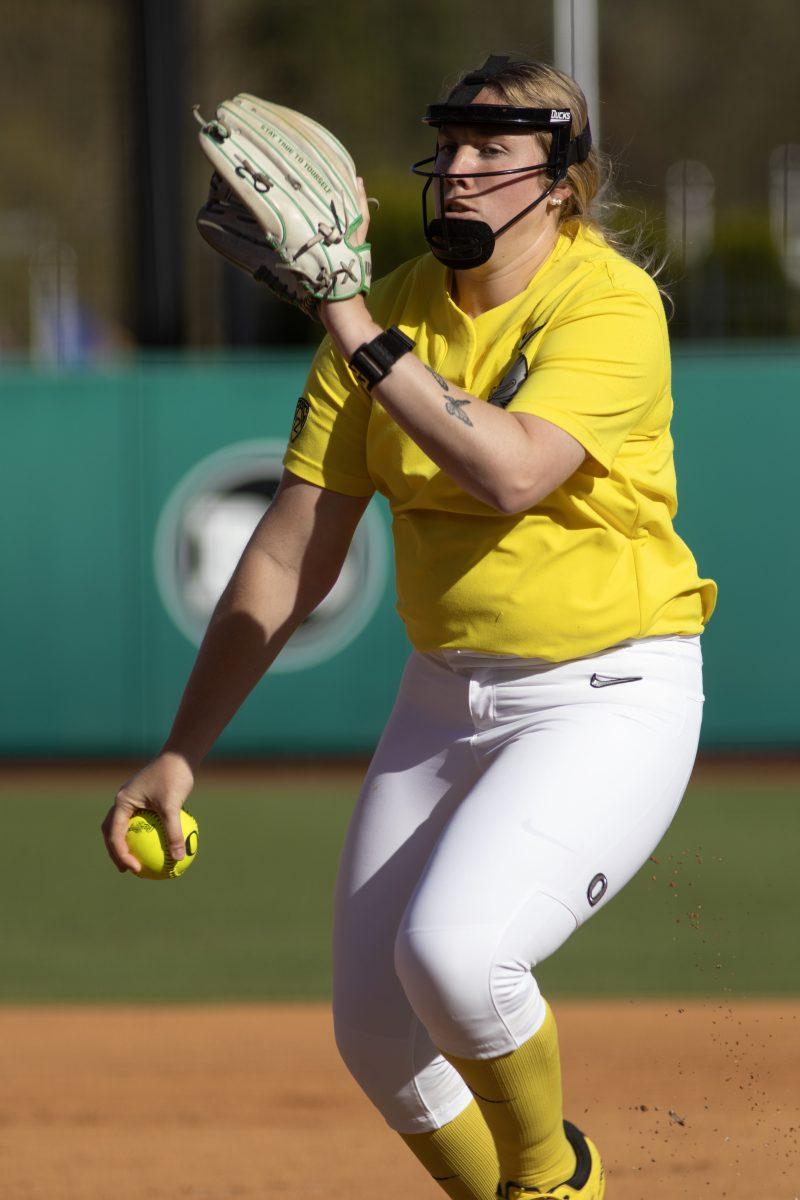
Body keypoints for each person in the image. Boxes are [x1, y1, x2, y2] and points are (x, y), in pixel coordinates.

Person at [102, 55, 716, 1200]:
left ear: (561, 181)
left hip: (607, 696)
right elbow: (285, 558)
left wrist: (347, 321)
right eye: (451, 145)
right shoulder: (388, 307)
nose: (462, 171)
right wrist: (181, 751)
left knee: (457, 956)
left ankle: (551, 1182)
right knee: (378, 1038)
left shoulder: (606, 303)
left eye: (495, 150)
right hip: (443, 699)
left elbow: (513, 475)